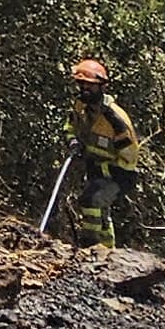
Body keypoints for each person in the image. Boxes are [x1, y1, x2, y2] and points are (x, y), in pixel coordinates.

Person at [64, 58, 150, 247]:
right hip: (95, 170)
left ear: (102, 86)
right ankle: (108, 250)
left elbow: (129, 158)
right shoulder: (80, 106)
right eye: (82, 84)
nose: (85, 88)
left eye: (91, 85)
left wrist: (108, 171)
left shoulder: (115, 120)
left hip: (118, 175)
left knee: (91, 200)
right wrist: (72, 140)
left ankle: (90, 245)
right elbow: (71, 126)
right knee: (102, 212)